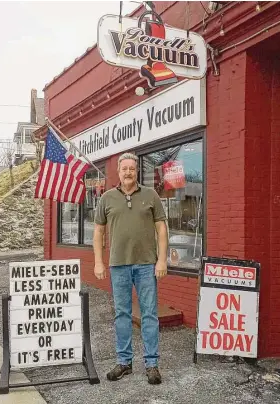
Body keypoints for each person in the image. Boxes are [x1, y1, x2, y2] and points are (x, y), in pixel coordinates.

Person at [93, 152, 168, 385]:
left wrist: (162, 260)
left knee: (149, 314)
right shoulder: (106, 198)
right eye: (124, 168)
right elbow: (98, 232)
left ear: (137, 171)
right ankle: (124, 362)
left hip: (146, 265)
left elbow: (162, 230)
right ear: (118, 171)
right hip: (118, 266)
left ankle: (152, 364)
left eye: (132, 169)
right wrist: (98, 261)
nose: (128, 172)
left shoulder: (151, 195)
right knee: (122, 315)